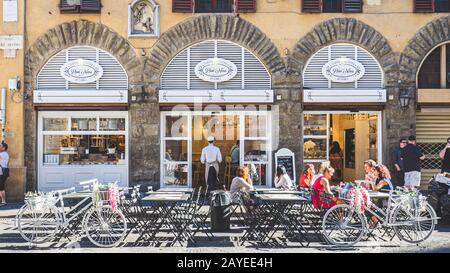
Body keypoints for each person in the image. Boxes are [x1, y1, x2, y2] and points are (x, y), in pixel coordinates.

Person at [0, 143, 9, 207]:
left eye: (0, 146)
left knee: (1, 187)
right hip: (2, 172)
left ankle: (3, 201)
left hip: (2, 173)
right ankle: (3, 201)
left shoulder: (4, 154)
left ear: (4, 148)